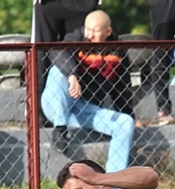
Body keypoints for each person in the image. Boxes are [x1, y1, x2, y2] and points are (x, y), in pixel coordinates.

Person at [42, 10, 136, 172]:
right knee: (57, 72)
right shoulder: (76, 38)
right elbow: (56, 51)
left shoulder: (118, 49)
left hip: (83, 109)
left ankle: (113, 178)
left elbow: (122, 87)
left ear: (108, 31)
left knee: (126, 123)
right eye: (88, 29)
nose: (90, 35)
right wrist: (71, 75)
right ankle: (60, 129)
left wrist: (130, 114)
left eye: (95, 31)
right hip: (56, 105)